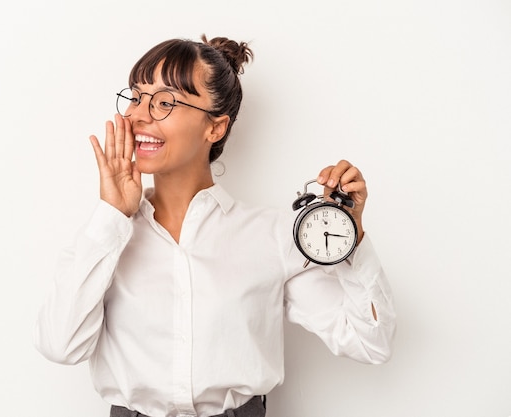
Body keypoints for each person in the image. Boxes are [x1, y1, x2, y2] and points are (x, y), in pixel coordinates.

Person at [34, 34, 396, 417]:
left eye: (163, 102)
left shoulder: (271, 235)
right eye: (136, 97)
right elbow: (60, 345)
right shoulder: (108, 237)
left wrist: (349, 235)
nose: (137, 115)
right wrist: (112, 215)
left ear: (215, 128)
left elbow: (371, 343)